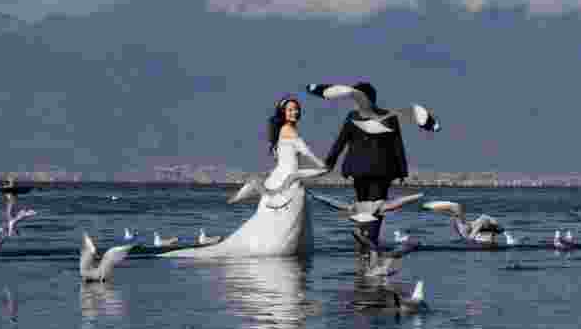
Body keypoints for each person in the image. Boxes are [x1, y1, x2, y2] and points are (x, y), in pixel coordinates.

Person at [165, 96, 327, 258]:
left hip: (281, 178)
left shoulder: (280, 132)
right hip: (287, 181)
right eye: (290, 109)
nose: (295, 112)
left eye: (296, 109)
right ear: (283, 112)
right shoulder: (288, 130)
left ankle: (273, 247)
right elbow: (306, 151)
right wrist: (323, 165)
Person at [324, 82, 408, 247]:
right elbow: (341, 140)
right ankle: (366, 239)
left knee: (376, 208)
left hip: (382, 172)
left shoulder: (389, 117)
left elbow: (397, 145)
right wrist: (330, 162)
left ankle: (369, 239)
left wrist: (402, 171)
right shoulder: (352, 116)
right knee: (364, 207)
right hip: (360, 171)